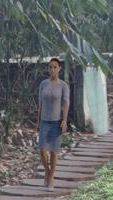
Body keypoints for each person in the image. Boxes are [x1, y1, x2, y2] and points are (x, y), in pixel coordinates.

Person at [37, 58, 70, 189]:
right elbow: (40, 103)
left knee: (54, 151)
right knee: (42, 149)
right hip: (44, 120)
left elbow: (66, 103)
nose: (52, 69)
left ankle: (50, 178)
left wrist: (65, 120)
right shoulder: (43, 84)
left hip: (57, 121)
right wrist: (38, 121)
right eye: (50, 67)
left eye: (55, 67)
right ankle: (47, 170)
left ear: (59, 68)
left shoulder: (63, 85)